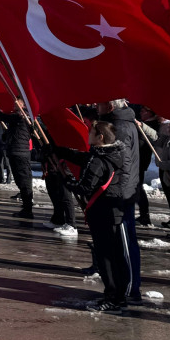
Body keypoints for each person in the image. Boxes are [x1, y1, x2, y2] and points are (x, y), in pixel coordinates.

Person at [60, 121, 129, 313]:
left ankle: (112, 297)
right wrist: (61, 151)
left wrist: (65, 178)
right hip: (112, 211)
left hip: (103, 212)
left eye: (91, 132)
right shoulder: (110, 154)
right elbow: (84, 158)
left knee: (105, 256)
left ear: (100, 138)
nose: (88, 133)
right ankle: (118, 295)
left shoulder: (99, 160)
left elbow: (84, 187)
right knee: (113, 255)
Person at [98, 98, 141, 301]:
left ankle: (131, 290)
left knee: (125, 244)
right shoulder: (119, 124)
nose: (96, 107)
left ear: (110, 106)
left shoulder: (121, 127)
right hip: (118, 192)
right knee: (117, 243)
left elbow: (118, 162)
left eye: (100, 104)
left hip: (121, 195)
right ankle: (122, 286)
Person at [0, 99, 33, 218]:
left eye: (17, 103)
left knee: (24, 180)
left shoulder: (22, 117)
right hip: (14, 151)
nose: (14, 105)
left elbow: (2, 116)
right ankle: (26, 205)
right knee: (19, 180)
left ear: (23, 105)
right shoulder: (17, 118)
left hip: (20, 153)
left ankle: (28, 209)